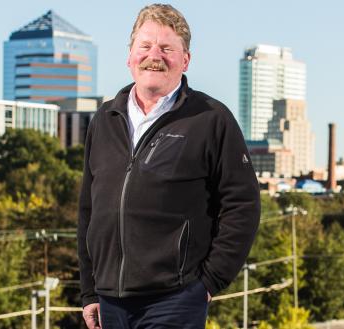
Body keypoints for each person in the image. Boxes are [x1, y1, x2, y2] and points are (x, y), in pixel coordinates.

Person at [77, 4, 261, 328]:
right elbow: (88, 211)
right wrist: (89, 291)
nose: (154, 56)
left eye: (166, 48)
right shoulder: (104, 120)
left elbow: (242, 206)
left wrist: (209, 281)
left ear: (185, 59)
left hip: (174, 299)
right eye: (145, 46)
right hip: (110, 301)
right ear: (130, 56)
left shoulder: (210, 119)